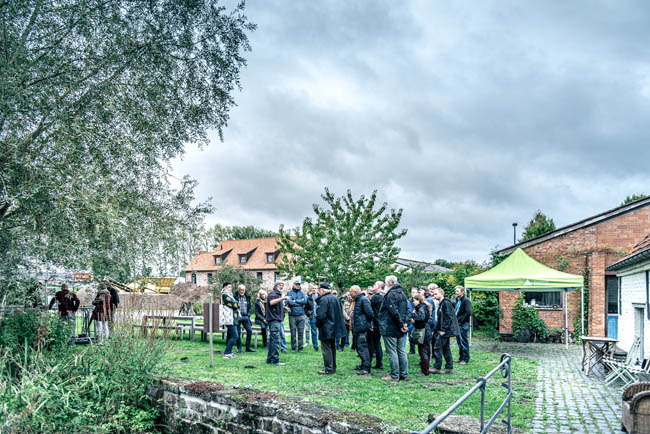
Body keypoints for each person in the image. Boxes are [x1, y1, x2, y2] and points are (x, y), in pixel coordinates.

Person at [378, 275, 409, 382]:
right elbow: (407, 310)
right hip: (399, 326)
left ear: (389, 283)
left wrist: (401, 324)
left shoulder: (391, 294)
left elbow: (394, 312)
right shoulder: (402, 294)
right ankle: (404, 374)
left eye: (385, 282)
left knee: (392, 352)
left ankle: (394, 375)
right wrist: (405, 323)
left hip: (391, 326)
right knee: (401, 351)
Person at [316, 282, 346, 375]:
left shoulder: (324, 299)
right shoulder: (335, 298)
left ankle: (328, 368)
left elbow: (321, 315)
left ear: (322, 290)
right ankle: (332, 366)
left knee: (326, 348)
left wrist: (318, 324)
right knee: (332, 347)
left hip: (326, 326)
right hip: (334, 326)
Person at [432, 287, 459, 374]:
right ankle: (449, 367)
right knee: (445, 348)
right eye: (434, 294)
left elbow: (448, 317)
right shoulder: (442, 303)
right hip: (443, 329)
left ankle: (437, 367)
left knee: (437, 347)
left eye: (436, 294)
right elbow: (441, 318)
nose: (434, 295)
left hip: (446, 330)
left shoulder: (446, 303)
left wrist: (443, 329)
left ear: (441, 294)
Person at [350, 285, 374, 375]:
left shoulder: (363, 300)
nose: (349, 293)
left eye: (351, 291)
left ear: (355, 292)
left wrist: (365, 323)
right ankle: (363, 364)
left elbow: (370, 314)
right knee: (359, 347)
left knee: (362, 347)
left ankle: (366, 368)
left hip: (362, 328)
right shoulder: (357, 300)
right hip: (358, 327)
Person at [266, 281, 290, 366]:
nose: (282, 287)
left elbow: (275, 304)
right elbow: (271, 302)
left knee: (273, 340)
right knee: (275, 340)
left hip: (276, 320)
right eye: (280, 285)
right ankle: (275, 360)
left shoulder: (277, 294)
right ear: (276, 286)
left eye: (283, 285)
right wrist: (282, 298)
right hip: (274, 320)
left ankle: (269, 359)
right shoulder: (273, 293)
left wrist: (284, 307)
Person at [411, 294, 433, 376]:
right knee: (423, 350)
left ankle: (425, 371)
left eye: (414, 300)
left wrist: (413, 315)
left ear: (418, 300)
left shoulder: (421, 308)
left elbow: (421, 317)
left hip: (423, 331)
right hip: (425, 330)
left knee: (423, 351)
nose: (413, 302)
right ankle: (424, 370)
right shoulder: (424, 307)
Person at [287, 279, 307, 352]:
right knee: (293, 332)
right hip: (292, 315)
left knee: (301, 332)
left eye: (299, 284)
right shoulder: (289, 293)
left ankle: (300, 348)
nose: (298, 285)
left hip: (301, 315)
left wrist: (295, 301)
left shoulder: (302, 293)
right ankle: (293, 348)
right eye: (296, 284)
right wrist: (299, 302)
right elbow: (288, 302)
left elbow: (305, 301)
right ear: (294, 285)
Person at [234, 284, 255, 352]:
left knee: (249, 331)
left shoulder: (247, 297)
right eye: (241, 289)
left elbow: (250, 307)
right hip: (238, 317)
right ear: (238, 290)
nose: (242, 291)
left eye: (243, 290)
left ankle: (248, 347)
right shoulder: (235, 297)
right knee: (238, 332)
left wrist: (248, 315)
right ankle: (239, 348)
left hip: (245, 317)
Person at [221, 283, 240, 359]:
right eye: (229, 287)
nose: (230, 288)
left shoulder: (230, 295)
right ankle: (226, 353)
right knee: (235, 336)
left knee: (232, 336)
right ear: (225, 287)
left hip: (233, 318)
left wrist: (236, 304)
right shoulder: (224, 295)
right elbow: (233, 304)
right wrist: (236, 304)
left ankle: (229, 352)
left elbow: (236, 303)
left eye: (231, 287)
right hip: (229, 318)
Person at [369, 280, 385, 369]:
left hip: (375, 323)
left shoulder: (376, 297)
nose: (373, 286)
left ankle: (370, 362)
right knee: (377, 343)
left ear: (378, 286)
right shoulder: (385, 296)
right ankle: (379, 363)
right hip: (381, 323)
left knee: (372, 343)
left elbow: (370, 310)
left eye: (374, 284)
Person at [455, 286, 472, 365]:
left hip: (463, 324)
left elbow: (468, 312)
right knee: (459, 341)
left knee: (463, 341)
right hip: (457, 323)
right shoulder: (458, 300)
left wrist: (461, 321)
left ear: (462, 292)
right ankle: (461, 357)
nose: (456, 292)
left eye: (457, 291)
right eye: (455, 291)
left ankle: (465, 359)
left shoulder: (466, 300)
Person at [306, 284, 319, 351]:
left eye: (315, 288)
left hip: (320, 317)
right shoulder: (309, 298)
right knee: (314, 332)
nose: (314, 289)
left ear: (317, 289)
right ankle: (315, 346)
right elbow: (306, 308)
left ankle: (324, 346)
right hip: (313, 317)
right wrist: (308, 314)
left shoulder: (320, 297)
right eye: (313, 288)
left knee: (322, 332)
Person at [408, 287, 418, 354]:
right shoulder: (409, 300)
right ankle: (412, 349)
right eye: (412, 292)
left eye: (414, 292)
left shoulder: (418, 300)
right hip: (411, 319)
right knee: (410, 335)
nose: (413, 293)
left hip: (417, 319)